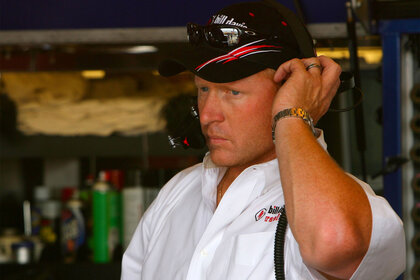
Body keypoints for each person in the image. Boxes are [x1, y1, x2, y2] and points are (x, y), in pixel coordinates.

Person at [121, 1, 405, 279]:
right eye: (204, 89)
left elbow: (334, 242)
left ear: (290, 90)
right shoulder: (178, 191)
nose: (207, 115)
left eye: (233, 92)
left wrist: (294, 116)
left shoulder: (349, 204)